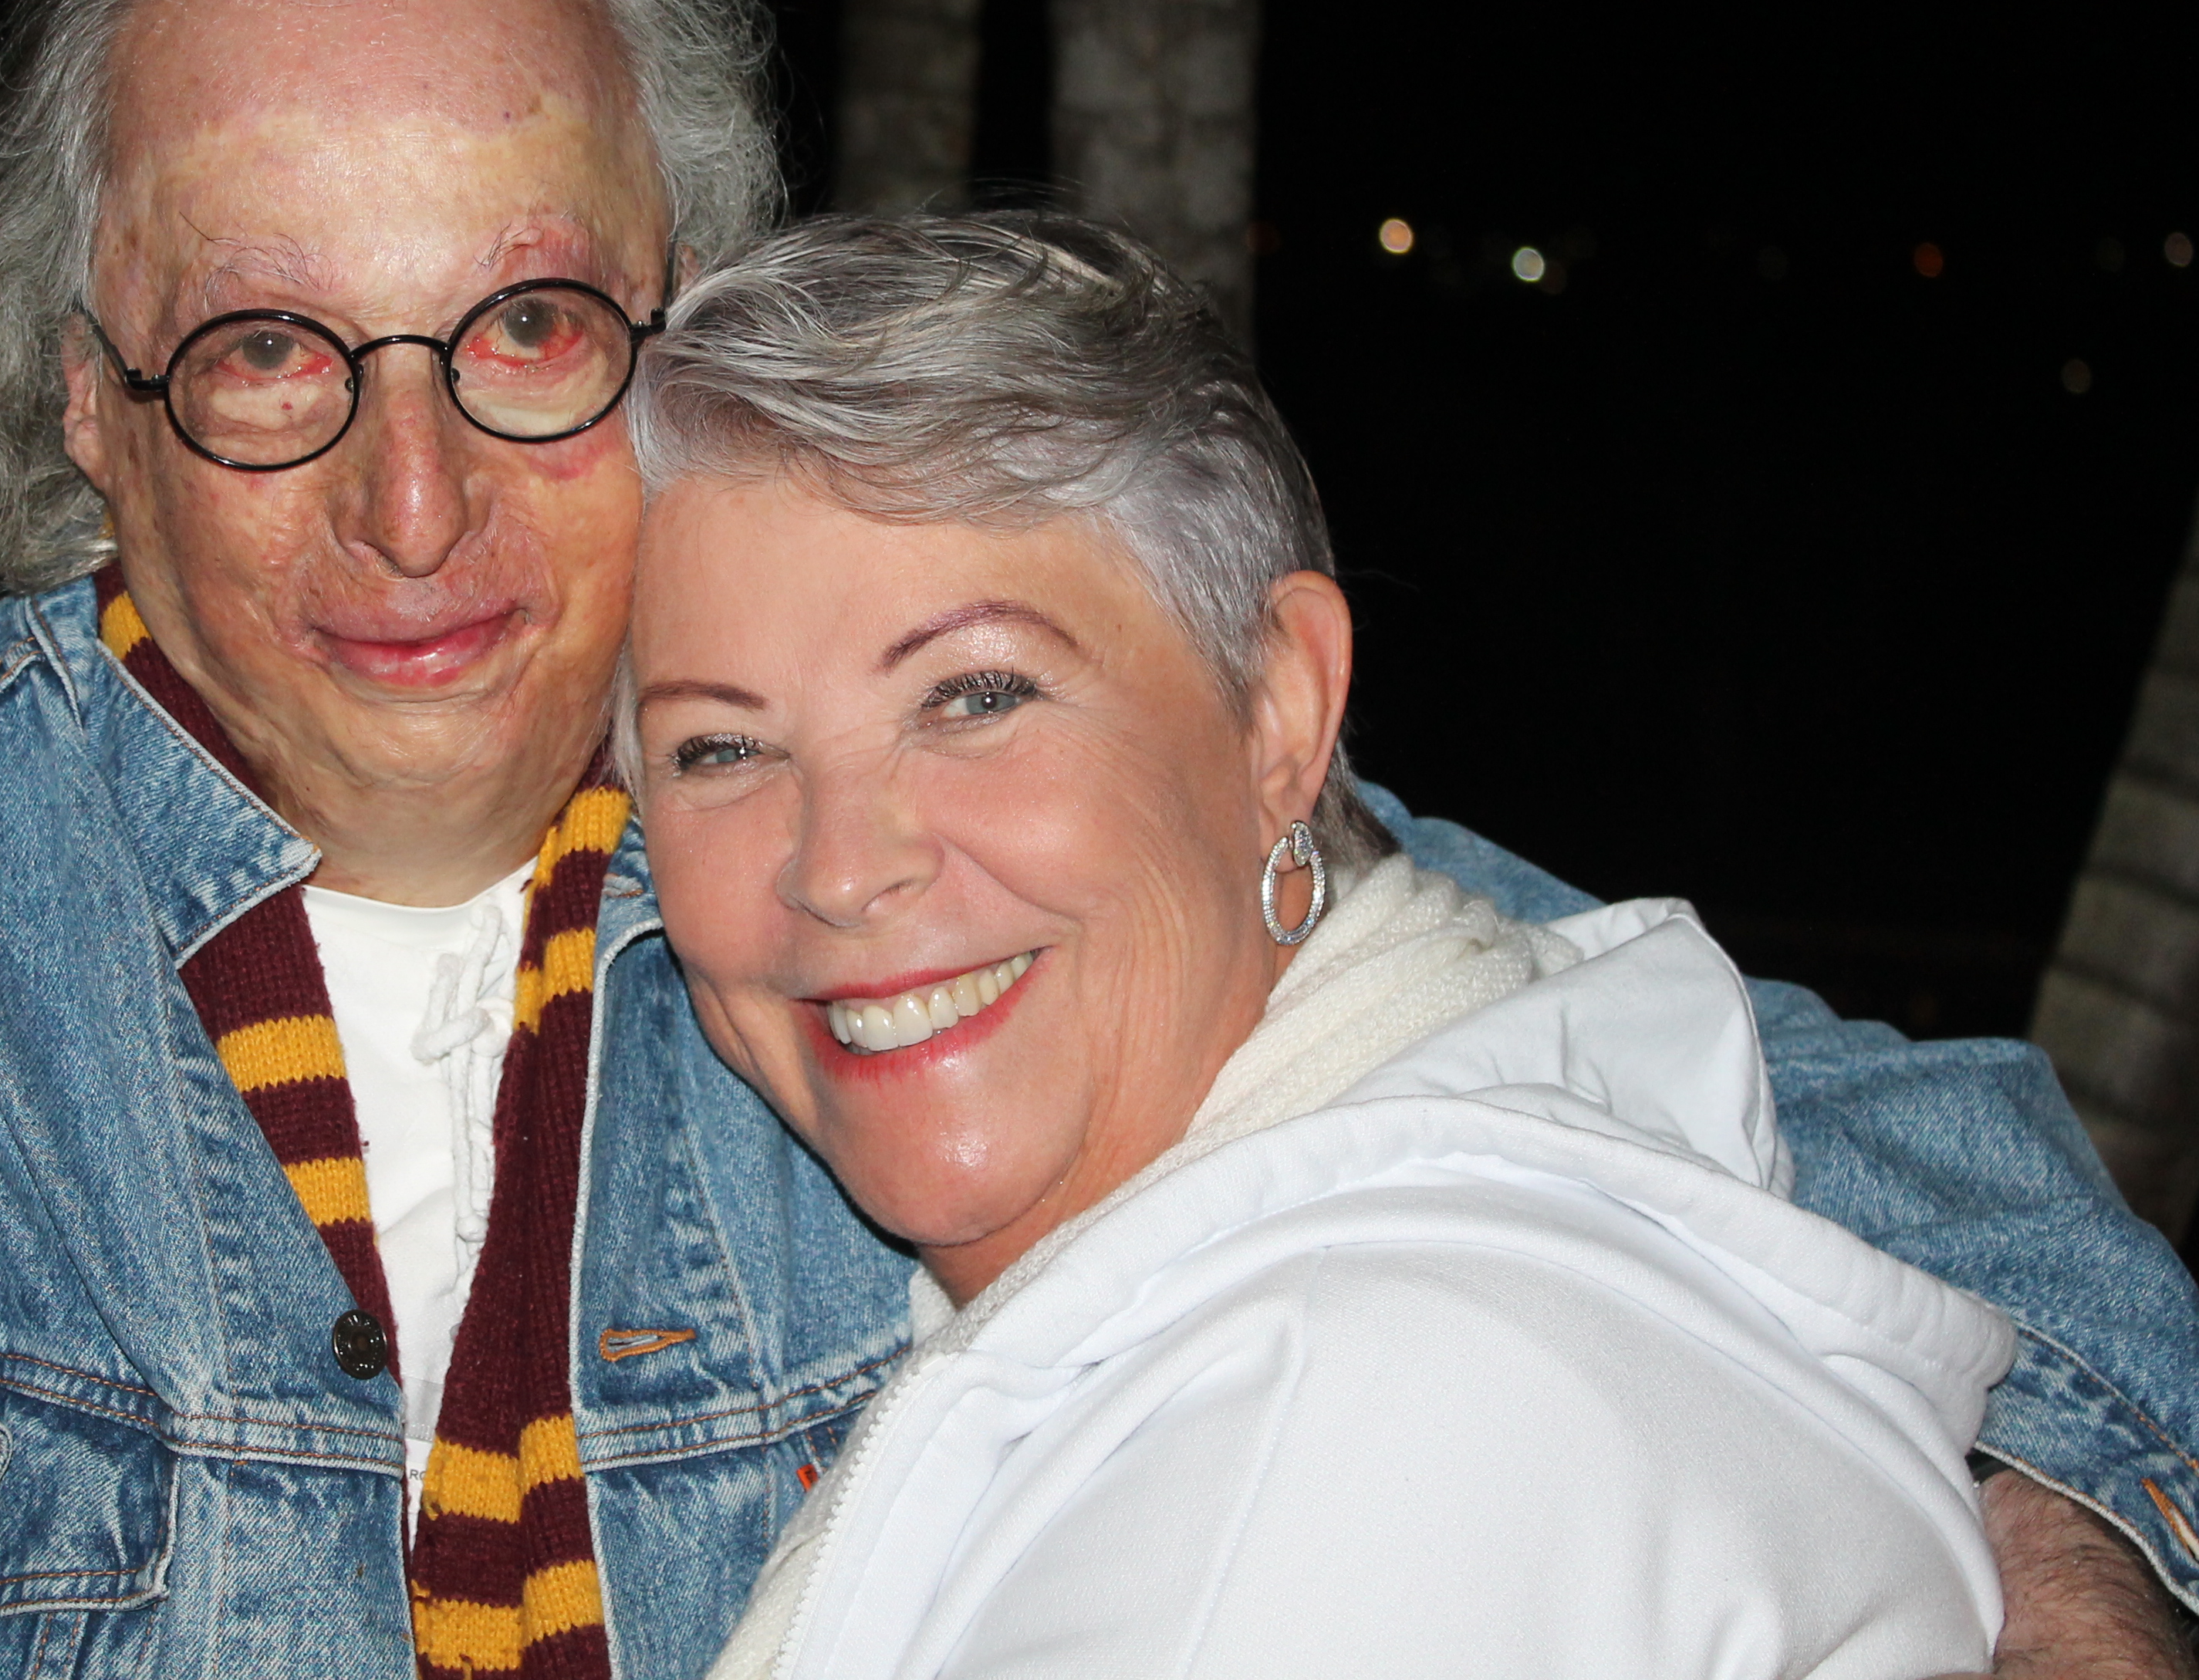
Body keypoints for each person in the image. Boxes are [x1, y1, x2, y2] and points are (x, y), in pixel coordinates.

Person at [0, 0, 2199, 1678]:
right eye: (269, 351)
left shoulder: (910, 871)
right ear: (87, 401)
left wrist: (2037, 1583)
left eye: (527, 325)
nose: (417, 505)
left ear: (683, 334)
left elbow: (1927, 1189)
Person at [623, 212, 2028, 1676]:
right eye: (721, 747)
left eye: (975, 697)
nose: (842, 870)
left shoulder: (1343, 1427)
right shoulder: (1428, 1221)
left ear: (1279, 707)